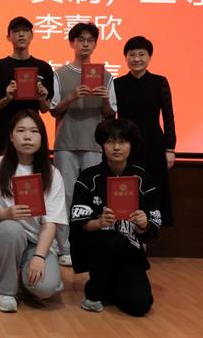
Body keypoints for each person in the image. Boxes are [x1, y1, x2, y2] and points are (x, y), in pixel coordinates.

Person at [0, 109, 67, 313]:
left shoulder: (52, 174)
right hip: (4, 236)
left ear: (42, 136)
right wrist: (5, 214)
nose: (27, 136)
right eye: (21, 130)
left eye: (34, 131)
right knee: (11, 229)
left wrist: (39, 257)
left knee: (45, 288)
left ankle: (29, 276)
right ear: (11, 136)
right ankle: (4, 291)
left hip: (37, 241)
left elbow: (51, 222)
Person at [69, 118, 161, 316]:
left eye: (123, 141)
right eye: (110, 141)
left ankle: (112, 286)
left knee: (140, 306)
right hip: (98, 249)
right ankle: (94, 292)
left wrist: (143, 225)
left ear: (131, 145)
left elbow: (154, 223)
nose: (116, 147)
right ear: (102, 145)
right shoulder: (88, 178)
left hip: (130, 252)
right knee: (111, 240)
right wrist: (98, 222)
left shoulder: (143, 179)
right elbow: (78, 222)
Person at [50, 23, 117, 267]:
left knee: (94, 196)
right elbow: (53, 110)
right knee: (66, 195)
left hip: (94, 145)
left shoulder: (106, 76)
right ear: (72, 43)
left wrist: (105, 100)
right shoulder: (60, 74)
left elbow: (110, 114)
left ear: (96, 43)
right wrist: (72, 96)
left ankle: (90, 246)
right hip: (66, 144)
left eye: (90, 40)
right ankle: (64, 248)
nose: (85, 44)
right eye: (80, 39)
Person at [114, 36, 176, 225]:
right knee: (127, 188)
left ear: (149, 57)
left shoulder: (159, 82)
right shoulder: (117, 84)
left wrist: (170, 148)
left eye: (141, 54)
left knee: (153, 186)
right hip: (126, 144)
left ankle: (150, 230)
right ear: (126, 58)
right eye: (132, 54)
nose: (136, 59)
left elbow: (168, 117)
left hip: (154, 142)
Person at [0, 16, 54, 156]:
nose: (21, 34)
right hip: (5, 134)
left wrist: (41, 98)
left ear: (32, 35)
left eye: (25, 30)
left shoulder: (43, 67)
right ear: (8, 37)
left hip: (32, 133)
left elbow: (45, 109)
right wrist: (7, 98)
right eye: (16, 31)